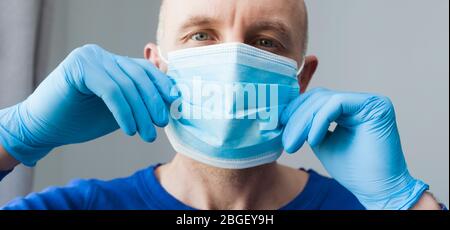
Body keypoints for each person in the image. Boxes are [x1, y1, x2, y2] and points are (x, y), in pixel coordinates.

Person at [0, 0, 443, 210]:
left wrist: (403, 201)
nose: (232, 62)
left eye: (265, 42)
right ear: (158, 65)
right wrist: (15, 136)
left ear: (301, 78)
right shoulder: (77, 210)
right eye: (201, 35)